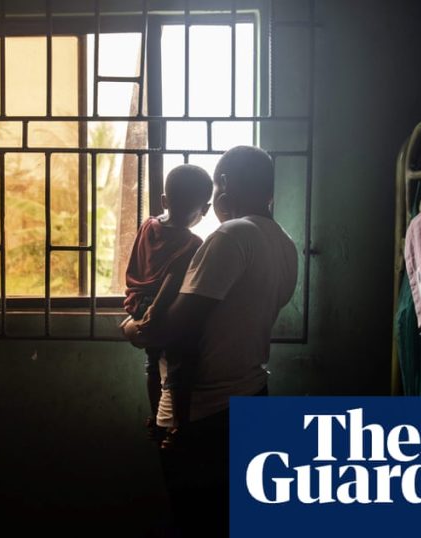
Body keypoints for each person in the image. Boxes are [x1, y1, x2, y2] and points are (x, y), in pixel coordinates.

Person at [125, 146, 298, 536]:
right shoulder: (285, 245)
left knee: (196, 520)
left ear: (224, 184)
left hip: (202, 414)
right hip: (253, 396)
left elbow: (168, 331)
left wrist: (127, 329)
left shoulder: (231, 236)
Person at [121, 164, 212, 443]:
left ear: (164, 200)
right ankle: (178, 427)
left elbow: (138, 261)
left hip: (136, 302)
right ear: (205, 209)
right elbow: (172, 281)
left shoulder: (148, 226)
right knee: (179, 366)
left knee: (151, 364)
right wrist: (155, 312)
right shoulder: (192, 242)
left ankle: (154, 417)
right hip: (160, 308)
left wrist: (141, 306)